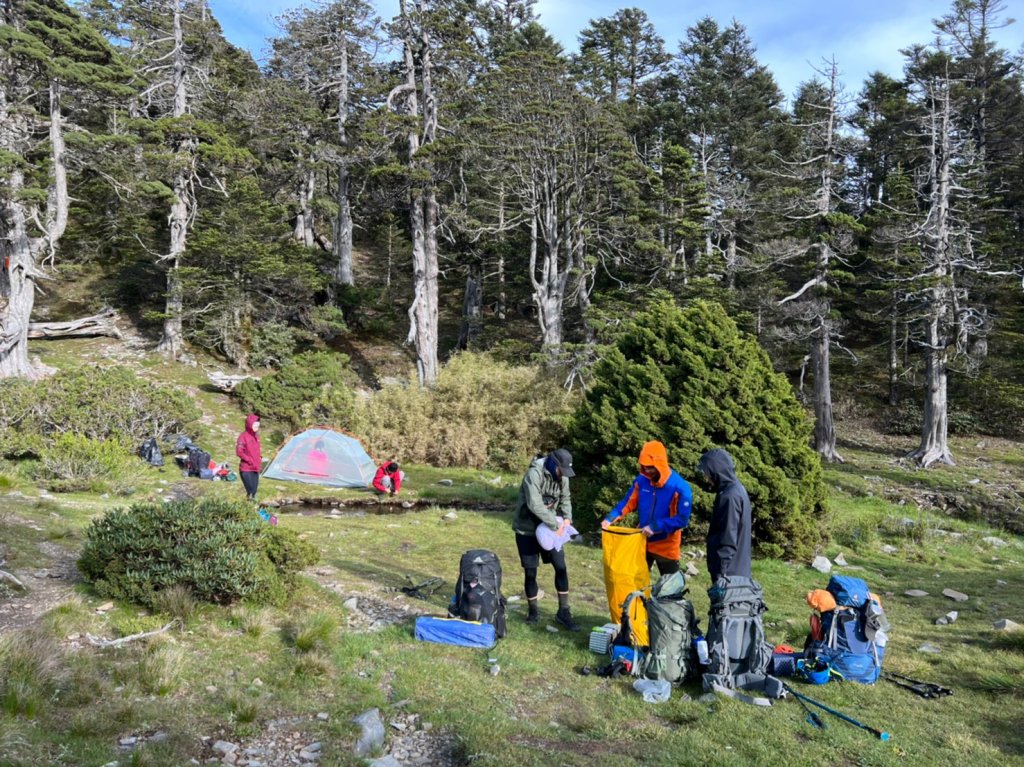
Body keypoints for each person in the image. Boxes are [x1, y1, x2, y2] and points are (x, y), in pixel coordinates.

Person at [511, 448, 580, 631]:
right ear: (552, 464)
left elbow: (566, 498)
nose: (563, 475)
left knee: (561, 567)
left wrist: (567, 517)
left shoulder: (563, 476)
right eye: (561, 471)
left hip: (550, 531)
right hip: (527, 529)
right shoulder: (533, 474)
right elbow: (534, 504)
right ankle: (533, 612)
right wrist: (555, 525)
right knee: (531, 572)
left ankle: (563, 612)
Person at [601, 440, 693, 577]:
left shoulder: (680, 487)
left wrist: (655, 527)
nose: (647, 470)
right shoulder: (641, 481)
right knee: (635, 583)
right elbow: (627, 503)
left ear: (660, 463)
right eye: (644, 466)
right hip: (642, 540)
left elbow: (682, 520)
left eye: (650, 467)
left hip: (667, 545)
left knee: (670, 590)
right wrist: (610, 519)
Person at [696, 448, 752, 581]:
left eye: (707, 473)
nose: (706, 478)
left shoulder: (729, 496)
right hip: (737, 568)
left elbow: (728, 536)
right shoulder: (736, 489)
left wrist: (722, 573)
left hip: (729, 572)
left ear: (716, 471)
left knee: (724, 602)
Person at [235, 413, 262, 501]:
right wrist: (249, 460)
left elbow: (256, 451)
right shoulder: (243, 436)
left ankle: (252, 510)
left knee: (253, 492)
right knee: (250, 492)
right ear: (250, 424)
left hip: (255, 468)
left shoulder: (256, 437)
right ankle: (248, 510)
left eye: (258, 425)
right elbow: (239, 452)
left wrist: (259, 458)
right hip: (246, 469)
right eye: (255, 425)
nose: (256, 427)